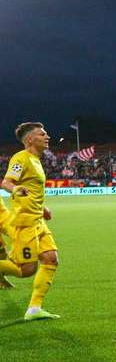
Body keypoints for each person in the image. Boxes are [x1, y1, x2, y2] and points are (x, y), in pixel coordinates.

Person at [0, 123, 61, 320]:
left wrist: (42, 209)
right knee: (26, 270)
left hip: (37, 221)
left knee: (51, 259)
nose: (47, 136)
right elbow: (7, 182)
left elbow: (31, 189)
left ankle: (34, 309)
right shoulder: (21, 158)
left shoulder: (36, 160)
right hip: (25, 223)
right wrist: (15, 189)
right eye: (42, 134)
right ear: (30, 140)